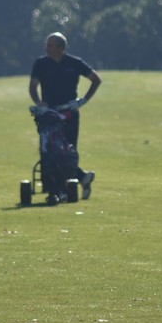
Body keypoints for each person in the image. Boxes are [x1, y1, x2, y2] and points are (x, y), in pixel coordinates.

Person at [29, 32, 102, 199]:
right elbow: (33, 87)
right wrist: (39, 102)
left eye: (50, 45)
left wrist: (83, 100)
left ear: (61, 48)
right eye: (47, 45)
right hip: (49, 115)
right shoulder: (41, 63)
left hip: (69, 112)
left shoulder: (74, 63)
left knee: (68, 151)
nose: (46, 48)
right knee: (50, 150)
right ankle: (76, 180)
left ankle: (65, 188)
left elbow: (96, 79)